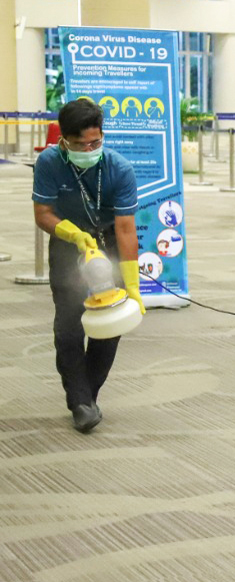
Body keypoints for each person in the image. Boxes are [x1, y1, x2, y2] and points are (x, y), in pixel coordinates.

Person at [31, 99, 144, 433]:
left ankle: (86, 397)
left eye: (96, 142)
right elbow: (43, 214)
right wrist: (71, 233)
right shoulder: (49, 162)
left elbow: (126, 228)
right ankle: (80, 402)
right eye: (81, 145)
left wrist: (133, 287)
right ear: (64, 140)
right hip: (68, 242)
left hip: (108, 241)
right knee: (69, 326)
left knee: (110, 324)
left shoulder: (119, 168)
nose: (89, 150)